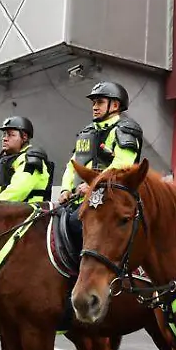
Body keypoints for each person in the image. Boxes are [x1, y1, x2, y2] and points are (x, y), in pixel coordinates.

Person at [58, 81, 144, 253]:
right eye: (93, 103)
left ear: (115, 105)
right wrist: (65, 190)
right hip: (79, 201)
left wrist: (92, 184)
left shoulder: (125, 129)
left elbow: (121, 165)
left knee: (75, 223)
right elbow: (72, 165)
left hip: (109, 200)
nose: (94, 107)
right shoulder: (86, 133)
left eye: (100, 102)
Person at [0, 117, 53, 204]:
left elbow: (18, 190)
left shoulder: (31, 160)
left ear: (24, 137)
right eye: (4, 134)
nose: (5, 138)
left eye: (11, 135)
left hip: (27, 211)